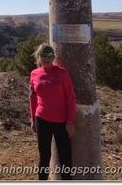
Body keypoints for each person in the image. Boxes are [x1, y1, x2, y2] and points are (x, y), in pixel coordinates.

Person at [29, 44, 76, 180]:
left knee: (65, 157)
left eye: (49, 55)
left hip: (61, 122)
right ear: (39, 57)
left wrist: (70, 122)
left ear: (54, 57)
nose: (46, 58)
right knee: (44, 156)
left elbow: (71, 99)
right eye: (43, 55)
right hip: (41, 119)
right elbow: (32, 98)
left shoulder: (62, 73)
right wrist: (33, 119)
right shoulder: (34, 73)